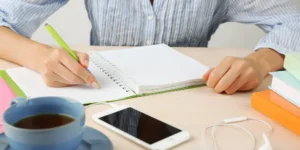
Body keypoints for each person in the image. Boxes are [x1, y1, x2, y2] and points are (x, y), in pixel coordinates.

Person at [0, 0, 299, 94]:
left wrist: (260, 62)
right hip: (101, 97)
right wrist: (41, 57)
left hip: (196, 100)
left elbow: (293, 20)